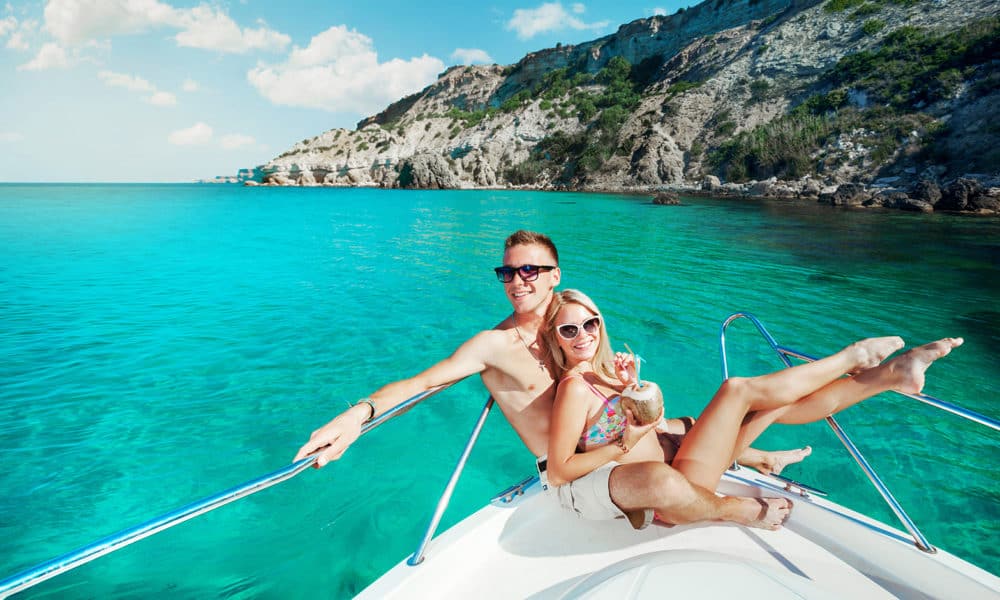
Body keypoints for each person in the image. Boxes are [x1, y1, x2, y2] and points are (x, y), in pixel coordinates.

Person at [294, 230, 810, 528]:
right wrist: (356, 416)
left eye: (531, 271)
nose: (518, 282)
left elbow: (605, 404)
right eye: (508, 273)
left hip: (610, 444)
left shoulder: (573, 326)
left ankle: (856, 390)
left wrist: (630, 388)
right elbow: (419, 382)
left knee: (718, 411)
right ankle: (732, 506)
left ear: (554, 275)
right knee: (675, 463)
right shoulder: (491, 345)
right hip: (571, 474)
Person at [541, 288, 962, 530]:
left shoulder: (609, 374)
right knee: (737, 390)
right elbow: (560, 469)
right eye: (569, 329)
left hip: (681, 462)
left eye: (591, 322)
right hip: (677, 491)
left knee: (775, 405)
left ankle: (891, 376)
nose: (583, 335)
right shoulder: (573, 389)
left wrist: (633, 387)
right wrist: (622, 444)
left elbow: (641, 425)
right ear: (557, 338)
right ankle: (852, 356)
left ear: (601, 322)